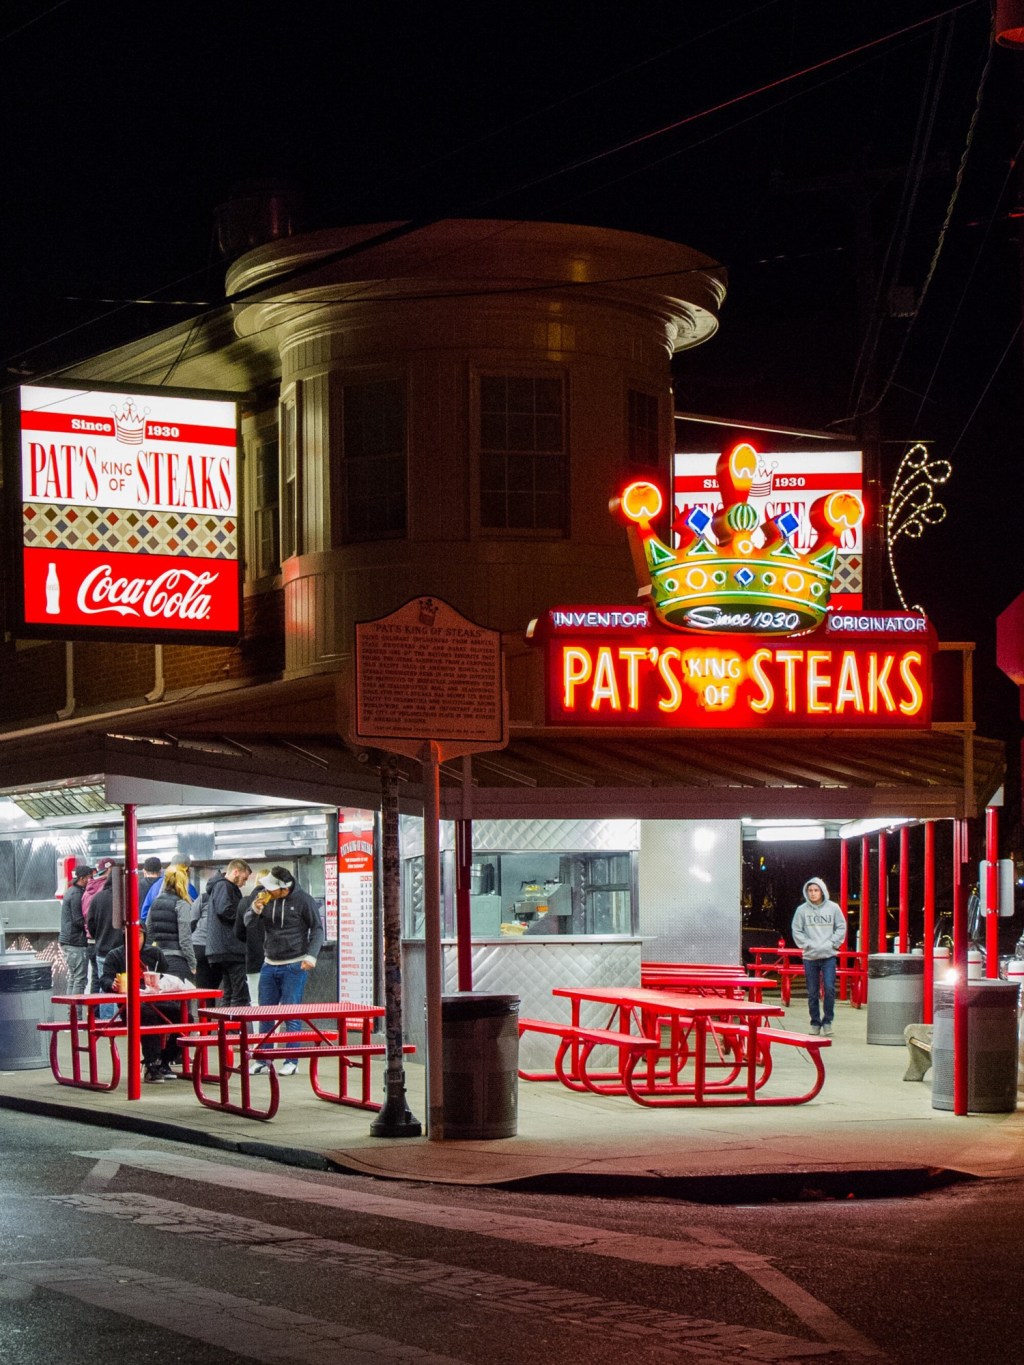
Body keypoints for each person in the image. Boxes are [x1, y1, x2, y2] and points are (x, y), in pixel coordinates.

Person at [244, 866, 324, 1075]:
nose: (268, 891)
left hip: (295, 964)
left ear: (285, 888)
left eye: (272, 888)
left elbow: (317, 929)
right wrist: (255, 911)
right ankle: (263, 1058)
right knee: (265, 1013)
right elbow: (248, 924)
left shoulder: (304, 900)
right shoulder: (264, 897)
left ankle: (291, 1060)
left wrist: (311, 955)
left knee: (291, 1013)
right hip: (269, 963)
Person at [98, 940, 178, 1083]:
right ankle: (151, 1064)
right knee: (147, 1015)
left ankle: (164, 1061)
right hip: (128, 1006)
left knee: (184, 1017)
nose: (136, 938)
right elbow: (105, 979)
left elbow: (167, 975)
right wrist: (112, 984)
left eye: (140, 934)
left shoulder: (155, 953)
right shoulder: (115, 955)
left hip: (157, 1001)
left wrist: (164, 985)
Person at [792, 877, 846, 1037]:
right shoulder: (801, 910)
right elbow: (796, 930)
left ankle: (827, 1021)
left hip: (829, 955)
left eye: (816, 890)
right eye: (810, 890)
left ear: (822, 891)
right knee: (812, 992)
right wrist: (806, 944)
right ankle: (815, 1022)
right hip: (810, 956)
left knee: (829, 989)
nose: (813, 893)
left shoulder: (833, 908)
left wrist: (833, 943)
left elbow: (841, 926)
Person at [204, 859, 253, 1005]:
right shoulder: (224, 886)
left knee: (229, 993)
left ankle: (226, 1020)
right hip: (231, 948)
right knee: (239, 995)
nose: (244, 883)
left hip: (221, 948)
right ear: (236, 872)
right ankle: (235, 1020)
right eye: (244, 878)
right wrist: (244, 918)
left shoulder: (219, 886)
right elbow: (224, 910)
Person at [144, 864, 197, 984]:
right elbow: (185, 939)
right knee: (181, 996)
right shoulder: (181, 904)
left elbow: (148, 935)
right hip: (178, 961)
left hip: (159, 961)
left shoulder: (155, 903)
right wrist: (192, 964)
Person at [58, 865, 94, 994]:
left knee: (74, 978)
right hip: (75, 942)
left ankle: (72, 1007)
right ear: (82, 878)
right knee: (80, 979)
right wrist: (92, 928)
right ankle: (77, 1007)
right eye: (90, 877)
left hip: (68, 941)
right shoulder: (77, 894)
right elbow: (78, 920)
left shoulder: (71, 891)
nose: (91, 880)